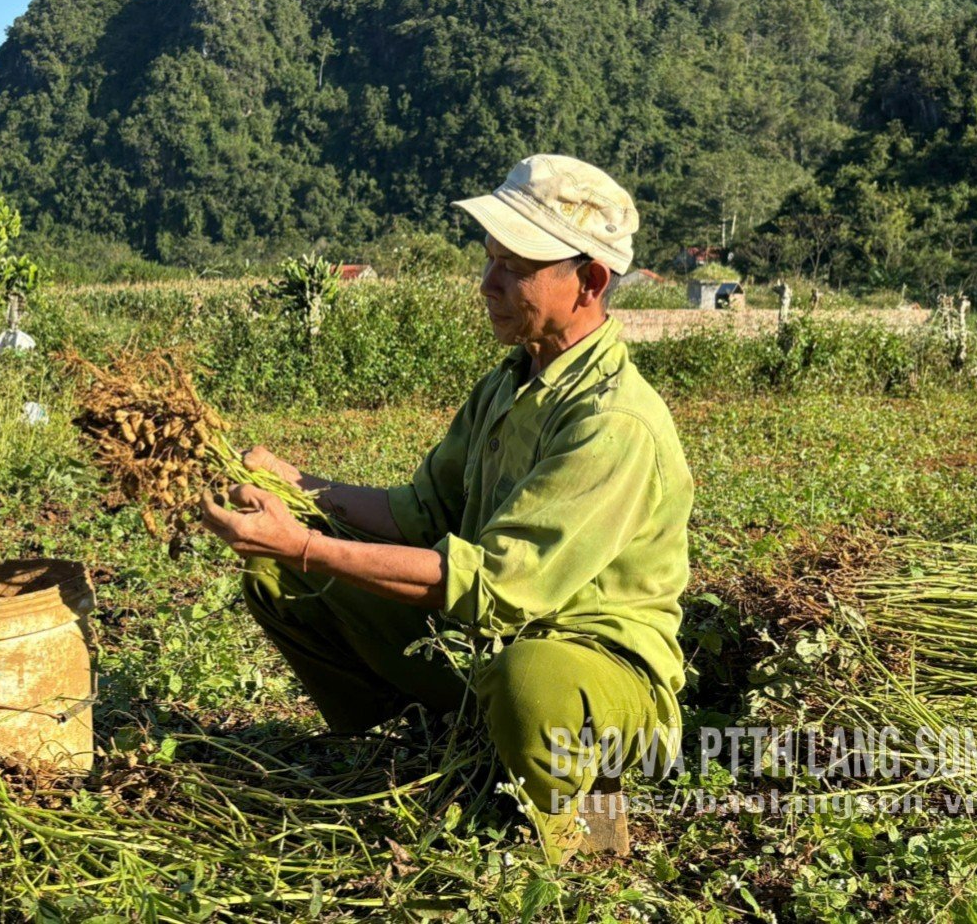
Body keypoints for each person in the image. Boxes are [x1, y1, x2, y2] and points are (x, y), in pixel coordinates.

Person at [201, 154, 693, 864]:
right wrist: (300, 487)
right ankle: (437, 750)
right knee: (283, 580)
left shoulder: (614, 422)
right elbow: (420, 511)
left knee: (533, 676)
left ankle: (583, 835)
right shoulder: (510, 383)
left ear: (588, 281)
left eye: (514, 267)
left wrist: (303, 543)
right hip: (488, 644)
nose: (487, 284)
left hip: (598, 678)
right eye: (489, 259)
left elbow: (495, 588)